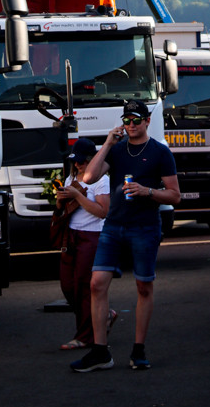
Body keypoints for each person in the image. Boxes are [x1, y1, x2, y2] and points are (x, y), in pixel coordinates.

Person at [70, 99, 180, 373]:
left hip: (144, 226)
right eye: (126, 120)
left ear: (147, 122)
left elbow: (175, 195)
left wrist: (148, 192)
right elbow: (89, 178)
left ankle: (138, 349)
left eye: (136, 120)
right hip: (114, 225)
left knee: (144, 287)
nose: (131, 125)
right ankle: (100, 351)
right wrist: (107, 142)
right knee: (97, 284)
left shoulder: (159, 152)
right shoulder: (117, 151)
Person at [55, 138, 113, 350]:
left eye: (82, 162)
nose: (78, 165)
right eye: (75, 161)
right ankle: (103, 314)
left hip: (92, 235)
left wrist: (78, 195)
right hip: (71, 234)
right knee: (68, 285)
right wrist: (61, 200)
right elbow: (63, 208)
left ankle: (85, 335)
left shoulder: (101, 179)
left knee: (83, 286)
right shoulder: (72, 177)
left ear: (92, 160)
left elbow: (102, 211)